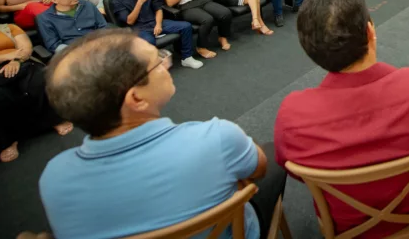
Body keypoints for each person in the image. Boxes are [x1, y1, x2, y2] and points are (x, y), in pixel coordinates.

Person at [39, 29, 286, 239]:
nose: (167, 63)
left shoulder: (54, 179)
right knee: (273, 153)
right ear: (136, 98)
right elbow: (257, 171)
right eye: (158, 61)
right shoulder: (216, 138)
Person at [274, 0, 409, 237]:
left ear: (310, 50)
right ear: (371, 31)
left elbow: (295, 172)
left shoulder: (292, 116)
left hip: (343, 224)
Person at [0, 11, 72, 163]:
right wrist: (4, 57)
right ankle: (9, 141)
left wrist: (15, 61)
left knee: (41, 81)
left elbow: (26, 48)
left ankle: (54, 120)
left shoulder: (9, 27)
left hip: (21, 63)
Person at [111, 0, 203, 69]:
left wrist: (158, 24)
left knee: (186, 26)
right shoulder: (117, 1)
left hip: (155, 22)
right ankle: (153, 66)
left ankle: (187, 58)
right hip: (139, 28)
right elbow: (130, 21)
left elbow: (158, 9)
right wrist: (140, 2)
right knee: (149, 41)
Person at [36, 0, 108, 53]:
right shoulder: (45, 18)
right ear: (54, 0)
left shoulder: (87, 5)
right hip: (74, 52)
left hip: (100, 44)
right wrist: (79, 51)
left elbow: (103, 26)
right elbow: (54, 46)